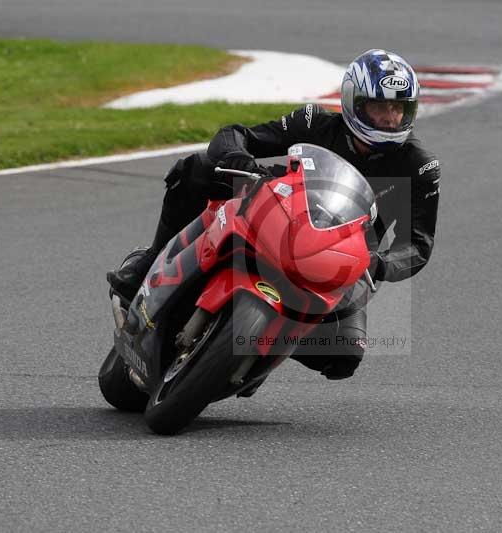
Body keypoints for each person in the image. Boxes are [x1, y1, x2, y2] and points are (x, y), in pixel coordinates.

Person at [108, 49, 441, 380]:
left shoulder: (419, 167)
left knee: (344, 356)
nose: (389, 117)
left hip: (339, 266)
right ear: (354, 102)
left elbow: (418, 245)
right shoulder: (315, 122)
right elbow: (235, 134)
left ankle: (256, 353)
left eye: (398, 108)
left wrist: (381, 263)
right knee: (197, 169)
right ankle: (148, 262)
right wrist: (238, 156)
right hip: (277, 219)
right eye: (379, 106)